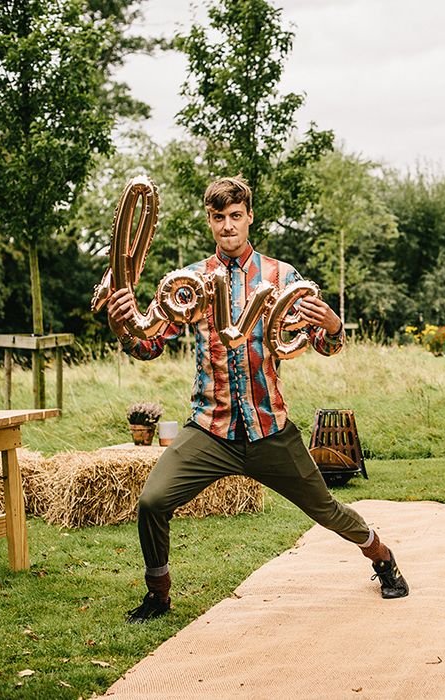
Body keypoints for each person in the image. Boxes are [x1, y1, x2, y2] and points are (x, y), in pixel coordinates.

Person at [107, 176, 408, 623]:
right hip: (211, 429)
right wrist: (124, 326)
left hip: (269, 431)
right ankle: (158, 595)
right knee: (153, 501)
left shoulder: (282, 276)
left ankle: (383, 559)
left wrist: (332, 325)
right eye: (217, 218)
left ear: (249, 217)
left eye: (234, 216)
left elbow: (324, 346)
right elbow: (150, 345)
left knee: (327, 511)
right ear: (209, 222)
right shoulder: (190, 282)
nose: (227, 226)